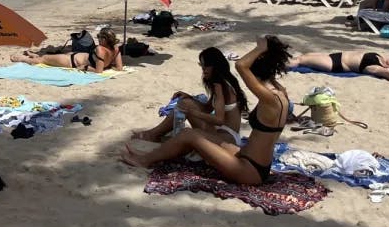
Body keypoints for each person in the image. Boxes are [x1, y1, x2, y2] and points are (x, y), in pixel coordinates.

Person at [121, 35, 292, 185]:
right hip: (246, 157)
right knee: (192, 135)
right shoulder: (281, 92)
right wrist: (267, 52)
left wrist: (261, 48)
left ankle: (144, 160)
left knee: (190, 134)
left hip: (249, 170)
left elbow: (241, 65)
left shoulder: (271, 99)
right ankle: (156, 150)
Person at [131, 47, 248, 143]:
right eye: (201, 66)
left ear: (215, 65)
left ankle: (153, 134)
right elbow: (208, 108)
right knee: (185, 102)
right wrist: (189, 98)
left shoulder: (220, 86)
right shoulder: (223, 80)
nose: (203, 70)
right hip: (224, 132)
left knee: (185, 106)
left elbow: (218, 119)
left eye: (206, 66)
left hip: (227, 137)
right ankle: (154, 133)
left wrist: (193, 113)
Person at [11, 27, 123, 73]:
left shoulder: (100, 50)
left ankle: (23, 58)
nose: (98, 40)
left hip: (72, 61)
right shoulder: (116, 49)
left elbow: (98, 71)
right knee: (47, 58)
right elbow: (119, 68)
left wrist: (85, 67)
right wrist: (108, 65)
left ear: (104, 39)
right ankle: (33, 55)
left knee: (44, 59)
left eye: (99, 38)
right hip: (76, 56)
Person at [288, 50, 389, 80]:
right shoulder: (381, 58)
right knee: (304, 55)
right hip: (335, 55)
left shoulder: (375, 68)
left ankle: (273, 64)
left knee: (301, 60)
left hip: (335, 64)